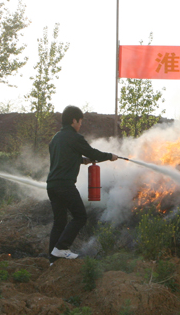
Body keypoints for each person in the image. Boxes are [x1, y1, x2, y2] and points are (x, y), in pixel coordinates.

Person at [47, 105, 118, 264]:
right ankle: (62, 248)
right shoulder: (75, 137)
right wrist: (110, 156)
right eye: (80, 122)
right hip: (65, 185)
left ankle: (53, 259)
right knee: (80, 216)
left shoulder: (56, 138)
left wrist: (82, 161)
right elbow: (92, 153)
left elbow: (63, 157)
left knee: (59, 222)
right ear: (74, 120)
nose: (80, 125)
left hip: (52, 185)